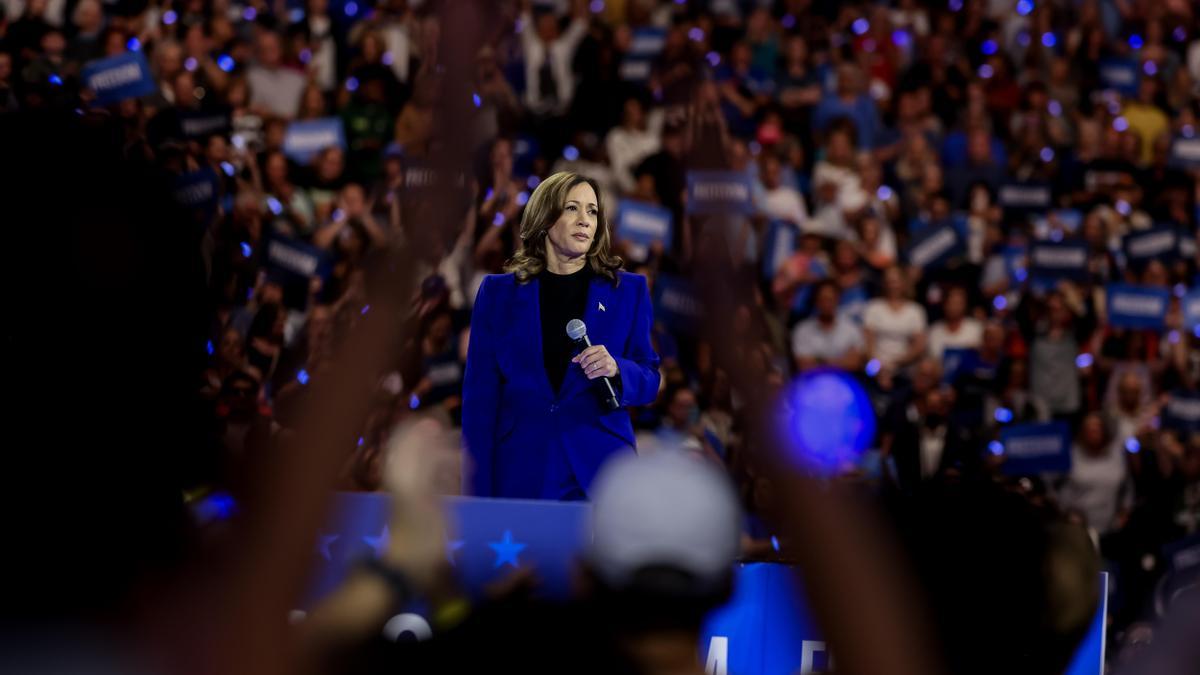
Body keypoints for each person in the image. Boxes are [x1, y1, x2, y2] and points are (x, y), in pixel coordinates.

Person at [461, 171, 661, 500]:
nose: (585, 220)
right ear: (544, 218)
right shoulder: (498, 294)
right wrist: (476, 496)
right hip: (522, 468)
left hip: (600, 469)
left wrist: (617, 368)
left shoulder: (627, 290)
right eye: (572, 208)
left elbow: (650, 377)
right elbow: (479, 403)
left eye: (592, 211)